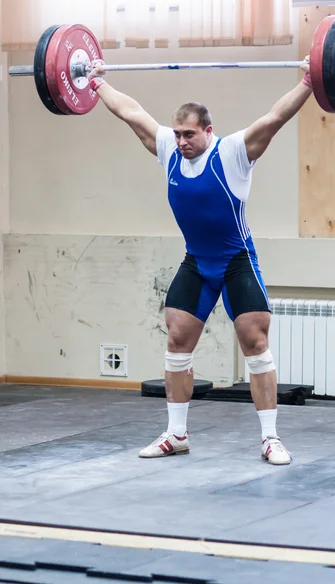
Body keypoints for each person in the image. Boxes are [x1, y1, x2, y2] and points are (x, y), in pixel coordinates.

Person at [87, 56, 313, 465]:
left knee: (255, 342)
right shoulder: (169, 151)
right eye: (177, 134)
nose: (181, 141)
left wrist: (311, 81)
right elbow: (131, 113)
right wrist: (95, 82)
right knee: (177, 339)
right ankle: (176, 434)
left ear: (209, 130)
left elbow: (276, 117)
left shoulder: (233, 153)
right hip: (197, 261)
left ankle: (270, 438)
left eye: (189, 134)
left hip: (236, 260)